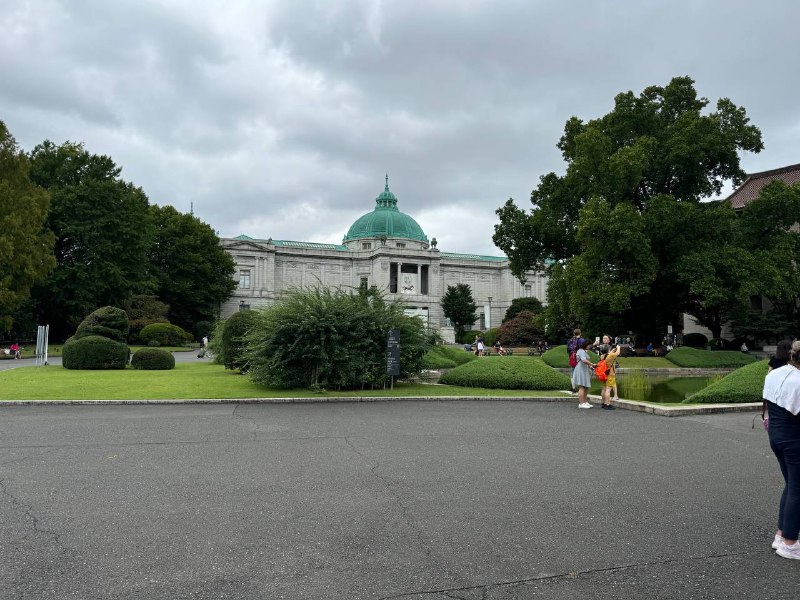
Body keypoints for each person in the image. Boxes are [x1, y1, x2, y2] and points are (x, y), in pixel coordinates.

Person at [762, 340, 800, 559]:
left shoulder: (774, 373)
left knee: (792, 485)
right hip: (794, 439)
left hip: (776, 436)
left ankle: (781, 534)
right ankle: (790, 543)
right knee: (797, 488)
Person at [598, 335, 621, 410]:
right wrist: (618, 348)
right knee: (608, 390)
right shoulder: (610, 356)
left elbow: (609, 354)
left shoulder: (602, 356)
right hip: (610, 375)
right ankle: (608, 404)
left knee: (604, 389)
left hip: (604, 375)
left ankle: (603, 403)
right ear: (608, 350)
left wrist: (611, 351)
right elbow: (617, 353)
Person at [572, 338, 595, 409]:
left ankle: (585, 402)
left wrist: (590, 366)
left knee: (586, 386)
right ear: (586, 344)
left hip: (584, 369)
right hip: (581, 370)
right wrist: (592, 364)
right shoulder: (581, 351)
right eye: (589, 345)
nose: (590, 346)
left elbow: (585, 361)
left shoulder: (582, 351)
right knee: (582, 386)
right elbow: (584, 360)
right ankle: (581, 403)